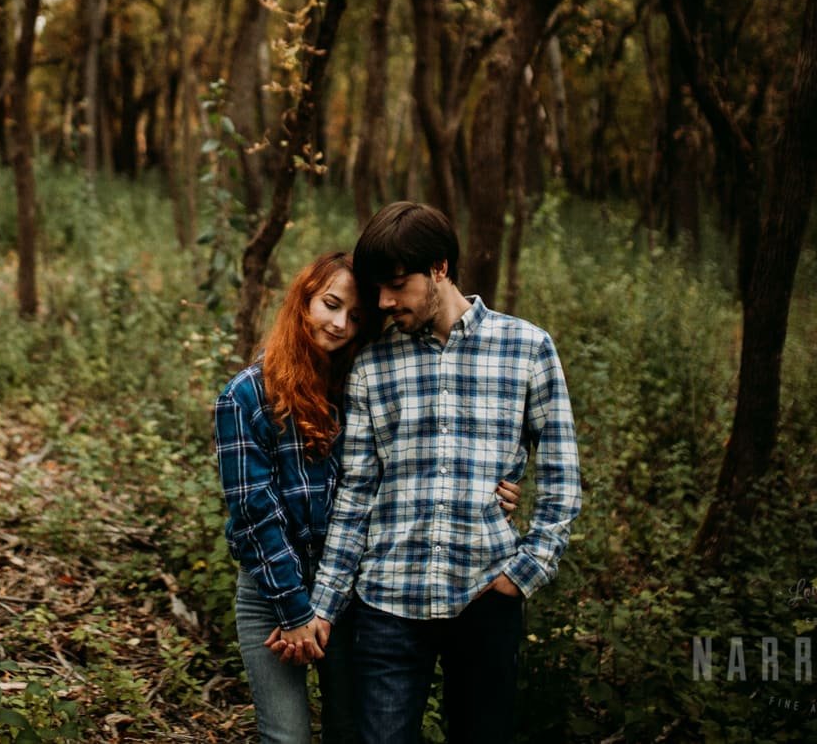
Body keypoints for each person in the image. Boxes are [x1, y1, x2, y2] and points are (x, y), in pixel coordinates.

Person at [301, 203, 582, 744]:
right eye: (377, 289)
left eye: (396, 285)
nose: (383, 302)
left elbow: (563, 473)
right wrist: (326, 603)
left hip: (485, 596)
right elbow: (356, 493)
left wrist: (525, 571)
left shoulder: (527, 349)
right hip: (387, 602)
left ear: (440, 269)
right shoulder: (372, 364)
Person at [214, 251, 520, 743]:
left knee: (350, 730)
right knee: (286, 736)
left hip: (346, 587)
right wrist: (295, 614)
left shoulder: (360, 382)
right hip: (272, 592)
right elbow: (254, 516)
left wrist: (487, 489)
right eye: (330, 305)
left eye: (356, 317)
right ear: (303, 300)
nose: (339, 324)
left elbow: (399, 472)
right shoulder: (245, 396)